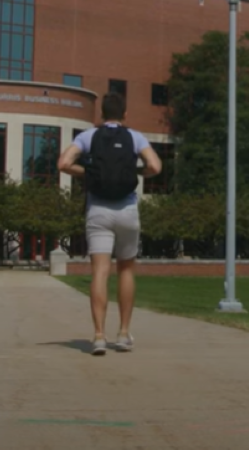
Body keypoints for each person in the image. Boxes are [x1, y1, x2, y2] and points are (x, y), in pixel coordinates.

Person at [57, 92, 161, 356]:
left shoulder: (88, 136)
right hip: (127, 210)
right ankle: (124, 334)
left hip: (98, 210)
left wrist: (88, 172)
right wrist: (135, 172)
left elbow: (64, 163)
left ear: (100, 114)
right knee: (126, 270)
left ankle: (99, 337)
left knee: (100, 272)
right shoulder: (134, 137)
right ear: (125, 114)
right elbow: (156, 167)